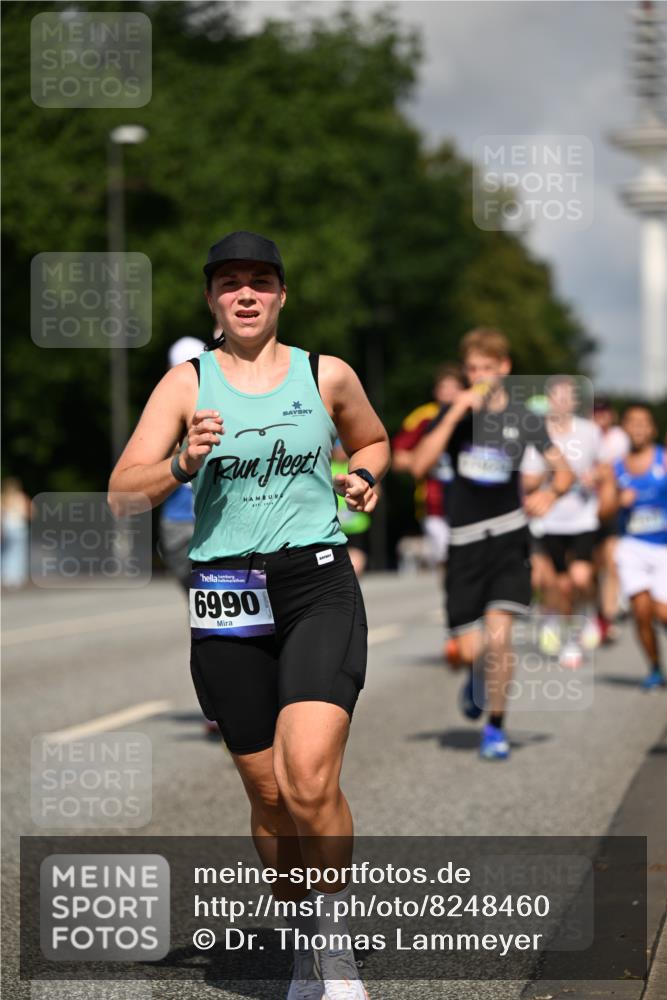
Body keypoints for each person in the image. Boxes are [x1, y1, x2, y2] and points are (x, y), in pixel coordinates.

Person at [108, 231, 389, 1000]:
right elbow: (122, 493)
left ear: (281, 295)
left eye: (259, 281)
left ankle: (331, 949)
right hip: (226, 592)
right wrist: (181, 464)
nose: (245, 294)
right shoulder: (185, 384)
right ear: (210, 299)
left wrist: (363, 473)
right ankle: (302, 936)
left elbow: (371, 436)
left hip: (316, 583)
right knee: (267, 797)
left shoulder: (323, 373)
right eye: (229, 282)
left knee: (306, 777)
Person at [410, 329, 574, 760]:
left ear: (504, 368)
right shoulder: (454, 414)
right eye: (472, 369)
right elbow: (420, 466)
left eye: (487, 367)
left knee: (500, 638)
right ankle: (476, 677)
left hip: (507, 537)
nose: (479, 376)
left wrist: (550, 494)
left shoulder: (523, 417)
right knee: (472, 650)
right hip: (463, 544)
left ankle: (496, 728)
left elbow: (565, 471)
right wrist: (452, 413)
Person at [525, 376, 617, 666]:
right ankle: (566, 637)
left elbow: (605, 467)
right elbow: (528, 481)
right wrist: (556, 472)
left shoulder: (589, 431)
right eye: (557, 395)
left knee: (580, 579)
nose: (562, 401)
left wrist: (595, 476)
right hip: (549, 521)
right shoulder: (538, 433)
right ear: (549, 399)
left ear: (575, 402)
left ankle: (588, 612)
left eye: (568, 396)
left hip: (582, 518)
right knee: (558, 584)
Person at [612, 404, 667, 690]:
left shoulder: (664, 460)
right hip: (631, 545)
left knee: (663, 612)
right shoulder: (615, 466)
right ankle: (655, 668)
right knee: (642, 612)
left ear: (652, 428)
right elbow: (603, 512)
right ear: (625, 428)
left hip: (663, 547)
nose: (638, 428)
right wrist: (618, 500)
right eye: (632, 422)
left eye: (644, 423)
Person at [392, 364, 463, 569]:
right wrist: (425, 458)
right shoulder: (423, 417)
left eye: (454, 387)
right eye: (444, 387)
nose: (449, 393)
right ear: (436, 391)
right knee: (446, 560)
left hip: (470, 500)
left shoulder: (474, 414)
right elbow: (397, 458)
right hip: (434, 503)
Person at [592, 397, 630, 639]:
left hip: (612, 509)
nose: (601, 417)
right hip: (586, 512)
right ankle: (596, 615)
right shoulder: (583, 435)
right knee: (592, 569)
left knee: (613, 563)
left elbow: (617, 469)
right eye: (597, 413)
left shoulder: (619, 439)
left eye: (604, 413)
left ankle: (608, 615)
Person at [331, 439, 371, 577]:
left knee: (357, 559)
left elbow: (374, 490)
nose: (341, 452)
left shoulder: (355, 467)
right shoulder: (327, 468)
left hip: (356, 526)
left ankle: (352, 581)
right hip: (334, 526)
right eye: (338, 448)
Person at [1, 478, 32, 589]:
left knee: (5, 553)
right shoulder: (21, 497)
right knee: (18, 553)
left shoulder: (3, 498)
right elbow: (31, 511)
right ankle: (16, 577)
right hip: (19, 527)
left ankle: (6, 577)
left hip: (7, 528)